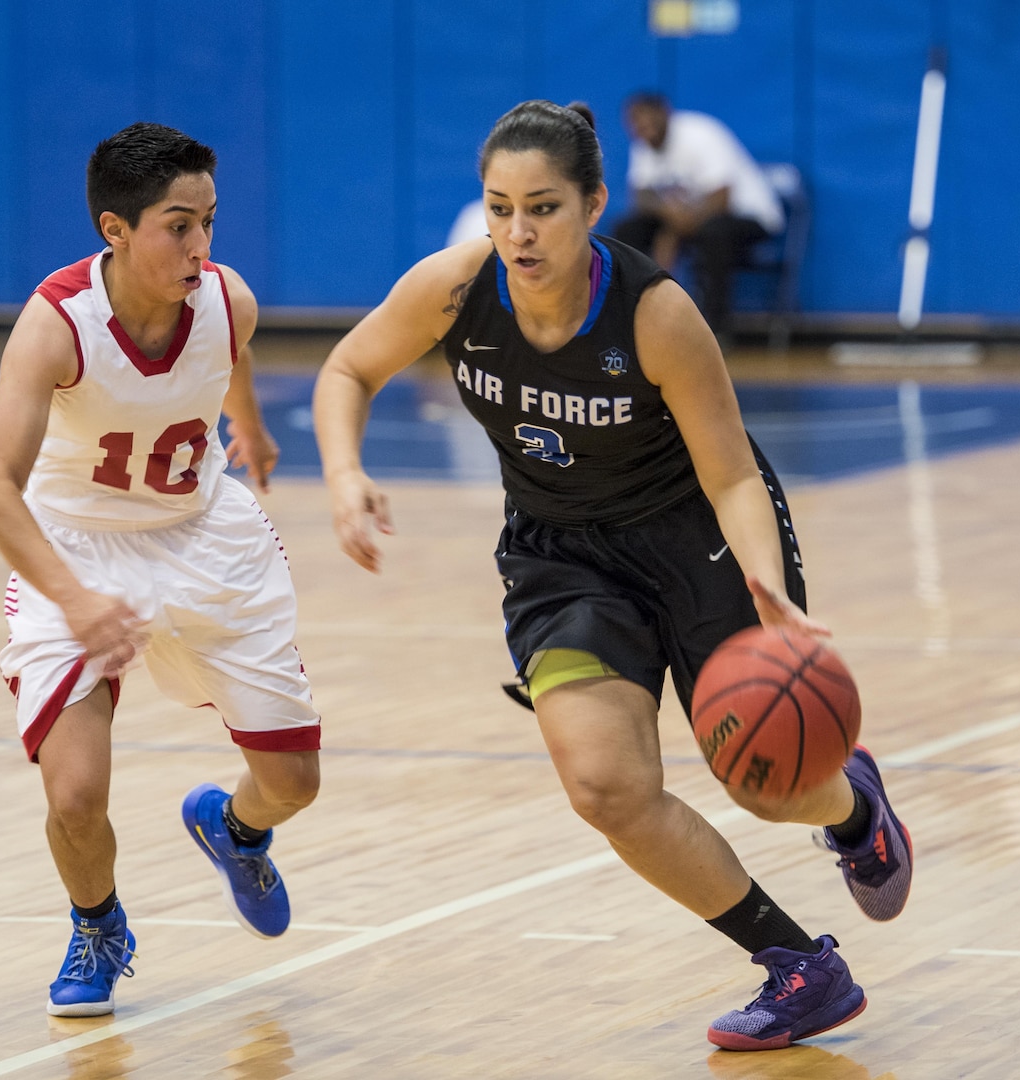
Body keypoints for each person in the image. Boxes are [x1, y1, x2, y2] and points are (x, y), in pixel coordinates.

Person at [313, 100, 912, 1051]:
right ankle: (801, 969)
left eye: (542, 207)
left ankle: (853, 810)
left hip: (698, 538)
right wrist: (345, 476)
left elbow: (729, 473)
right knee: (605, 788)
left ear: (594, 204)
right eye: (499, 206)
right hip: (562, 553)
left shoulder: (657, 315)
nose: (517, 231)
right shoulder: (453, 288)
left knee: (761, 780)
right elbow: (347, 369)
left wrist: (764, 579)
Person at [0, 122, 322, 1017]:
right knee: (77, 792)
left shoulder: (227, 297)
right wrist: (75, 599)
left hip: (205, 537)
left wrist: (249, 423)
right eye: (178, 225)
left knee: (294, 784)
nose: (200, 244)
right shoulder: (56, 326)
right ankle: (98, 924)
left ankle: (234, 828)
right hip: (76, 548)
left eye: (209, 220)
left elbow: (228, 357)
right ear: (115, 229)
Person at [612, 91, 784, 340]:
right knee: (628, 229)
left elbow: (721, 200)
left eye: (646, 119)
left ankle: (715, 329)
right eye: (635, 122)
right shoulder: (644, 143)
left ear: (665, 113)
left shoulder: (700, 134)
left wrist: (671, 234)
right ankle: (628, 317)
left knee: (714, 233)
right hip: (691, 223)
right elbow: (642, 197)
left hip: (748, 217)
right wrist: (670, 225)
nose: (641, 127)